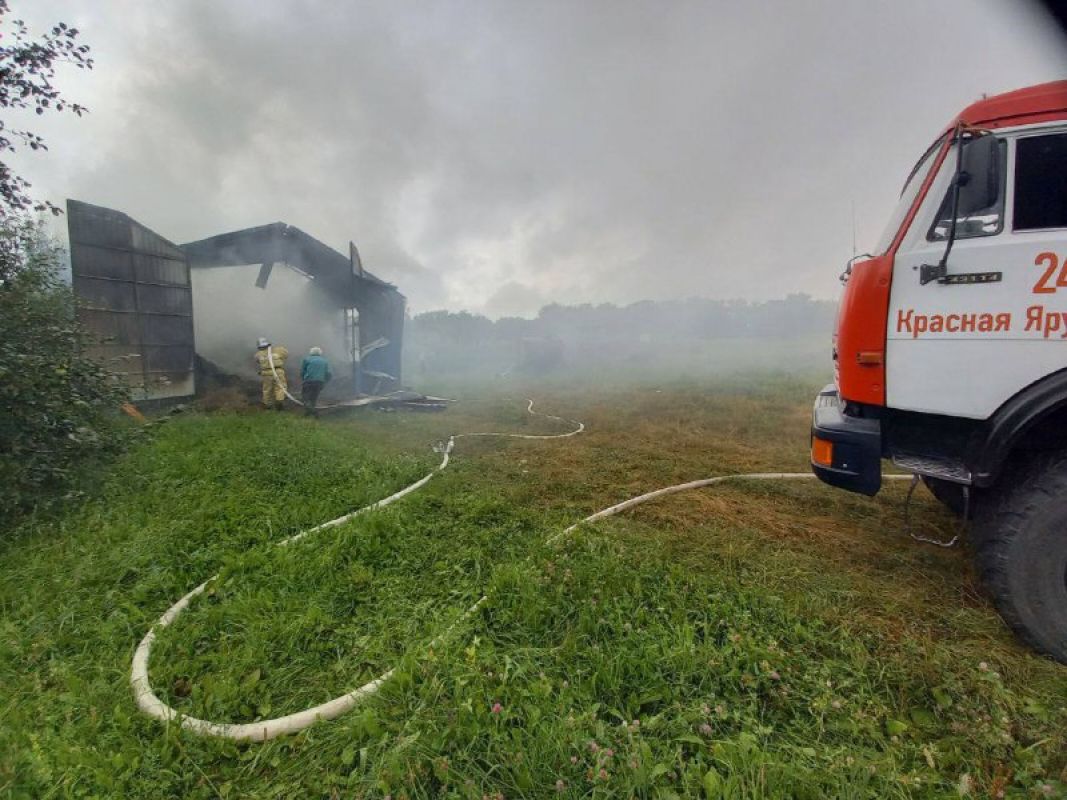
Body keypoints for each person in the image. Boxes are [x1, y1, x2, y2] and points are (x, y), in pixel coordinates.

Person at [254, 337, 289, 410]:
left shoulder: (258, 354)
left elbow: (258, 361)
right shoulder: (279, 350)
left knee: (267, 389)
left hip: (266, 373)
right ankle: (279, 403)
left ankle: (267, 405)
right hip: (278, 371)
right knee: (280, 387)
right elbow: (286, 355)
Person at [300, 346, 332, 417]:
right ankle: (308, 414)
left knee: (305, 398)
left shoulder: (307, 359)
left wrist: (303, 379)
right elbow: (329, 373)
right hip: (319, 382)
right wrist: (325, 381)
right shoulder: (325, 361)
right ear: (320, 353)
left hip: (308, 381)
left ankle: (313, 412)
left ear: (311, 352)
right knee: (313, 398)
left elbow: (302, 372)